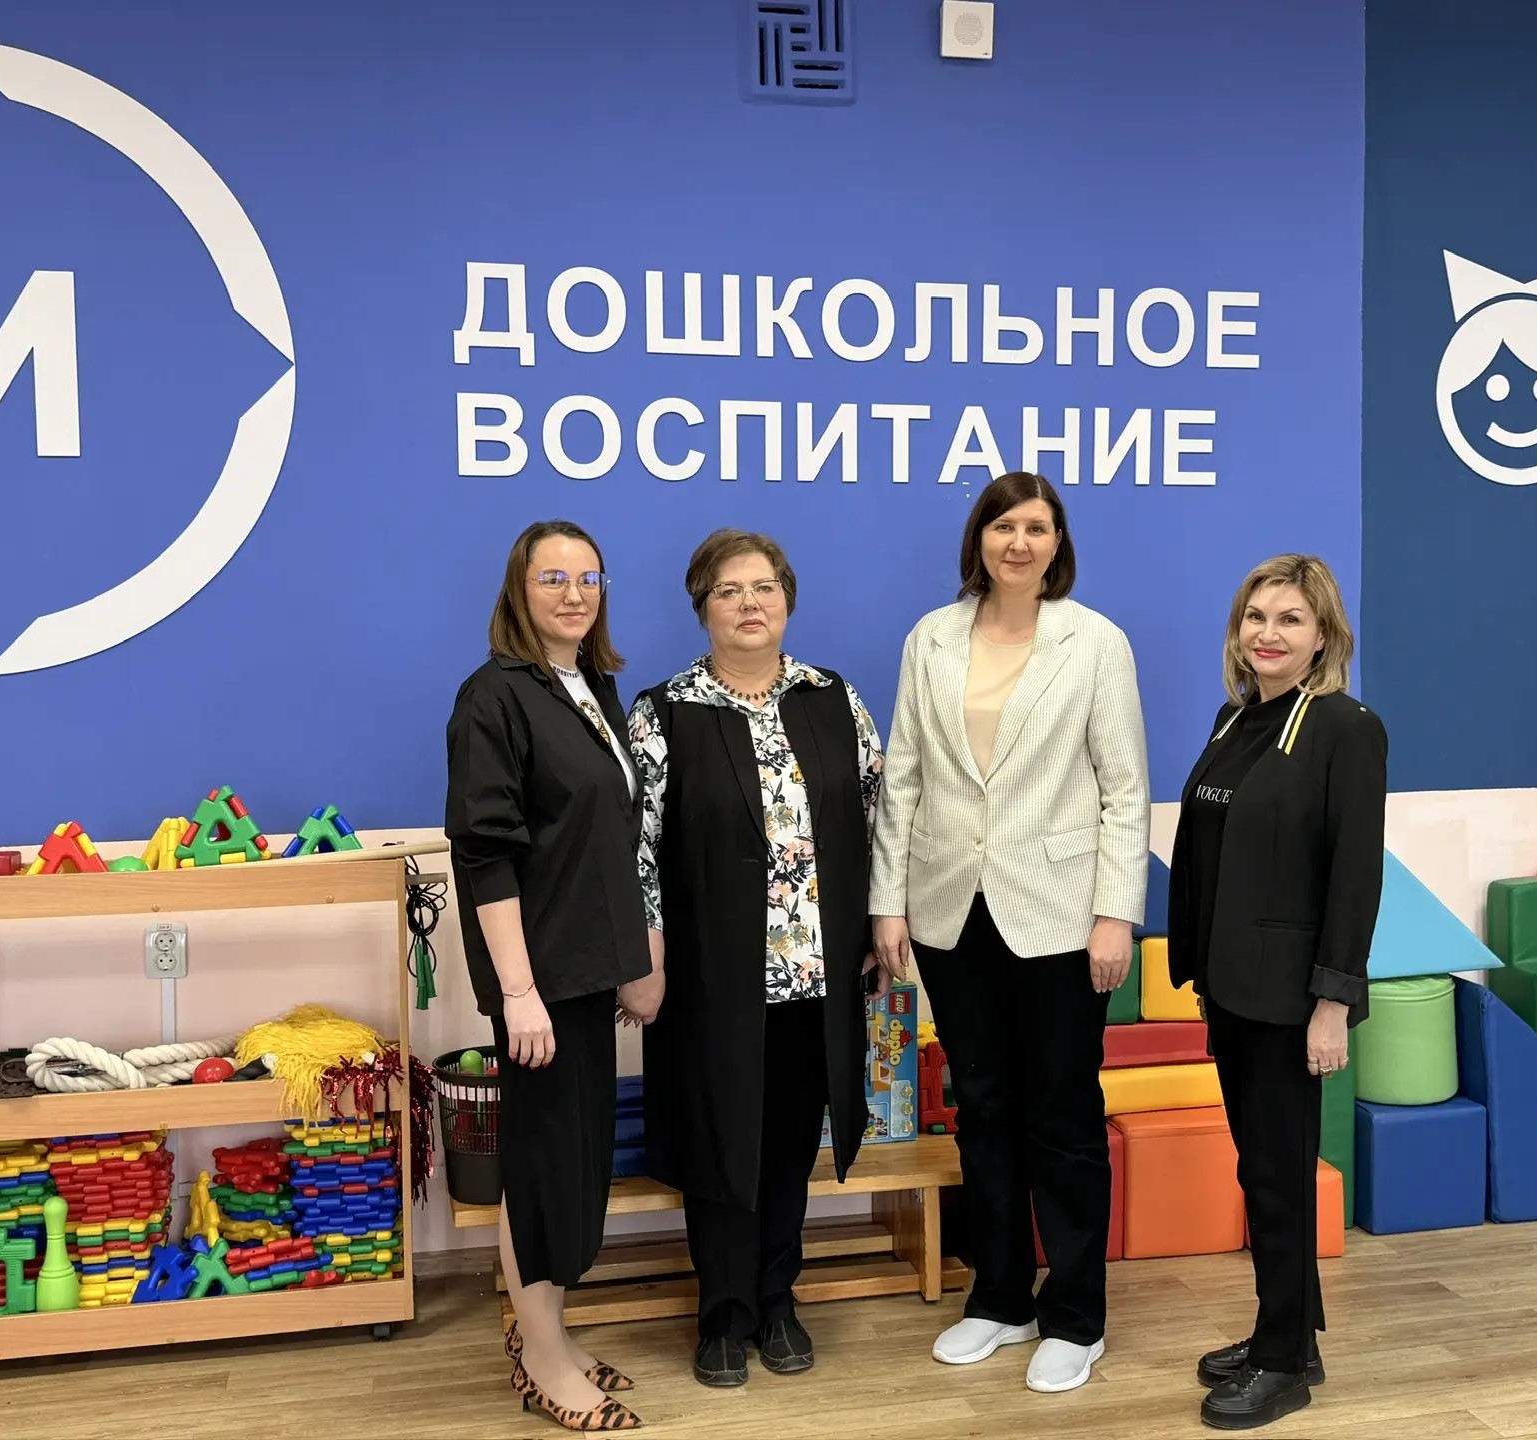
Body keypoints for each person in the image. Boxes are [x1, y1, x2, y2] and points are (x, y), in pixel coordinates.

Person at [869, 471, 1150, 1396]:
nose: (1019, 543)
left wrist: (1115, 914)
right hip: (951, 909)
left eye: (1037, 527)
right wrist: (888, 902)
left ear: (1057, 542)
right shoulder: (931, 638)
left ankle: (1075, 1315)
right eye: (1003, 526)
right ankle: (998, 1296)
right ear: (979, 540)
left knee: (1062, 1115)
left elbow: (1123, 790)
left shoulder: (1095, 641)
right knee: (983, 1109)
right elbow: (904, 778)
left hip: (1062, 915)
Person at [625, 528, 886, 1388]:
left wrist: (883, 922)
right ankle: (722, 1316)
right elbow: (634, 850)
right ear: (702, 606)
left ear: (788, 599)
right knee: (717, 1146)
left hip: (814, 977)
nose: (749, 603)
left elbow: (883, 818)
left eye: (764, 586)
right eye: (729, 589)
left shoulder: (832, 699)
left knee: (786, 1148)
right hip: (710, 983)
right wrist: (646, 955)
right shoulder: (665, 713)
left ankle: (777, 1302)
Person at [1165, 553, 1386, 1431]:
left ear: (1324, 635)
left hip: (1292, 998)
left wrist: (1333, 1004)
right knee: (1263, 1170)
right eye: (1256, 617)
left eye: (1290, 619)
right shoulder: (1237, 719)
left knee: (1281, 1177)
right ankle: (1289, 1332)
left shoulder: (1345, 728)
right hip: (1231, 987)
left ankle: (1284, 1362)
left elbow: (1353, 876)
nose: (1268, 633)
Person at [444, 519, 655, 1434]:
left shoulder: (592, 689)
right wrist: (519, 993)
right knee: (541, 1168)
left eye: (587, 578)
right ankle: (539, 1357)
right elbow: (484, 854)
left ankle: (552, 1336)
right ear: (518, 590)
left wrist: (633, 960)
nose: (573, 594)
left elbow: (610, 844)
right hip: (537, 980)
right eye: (552, 578)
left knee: (570, 1165)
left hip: (587, 970)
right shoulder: (493, 696)